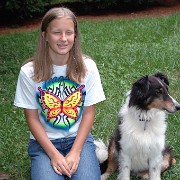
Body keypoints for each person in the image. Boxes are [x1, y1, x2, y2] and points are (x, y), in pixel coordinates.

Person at [14, 7, 105, 180]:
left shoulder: (88, 68)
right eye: (56, 32)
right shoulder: (28, 72)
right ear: (44, 36)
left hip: (78, 140)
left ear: (75, 35)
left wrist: (76, 152)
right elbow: (32, 119)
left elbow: (88, 113)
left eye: (68, 33)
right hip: (43, 144)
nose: (63, 39)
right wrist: (54, 155)